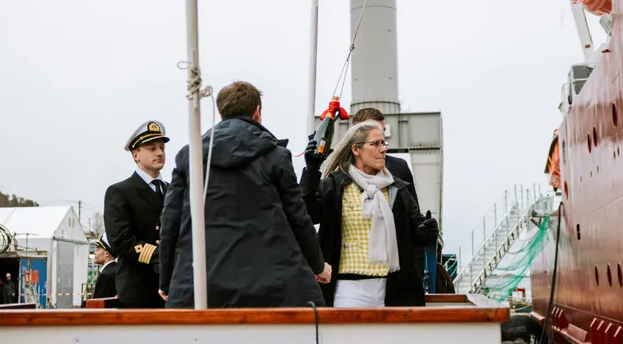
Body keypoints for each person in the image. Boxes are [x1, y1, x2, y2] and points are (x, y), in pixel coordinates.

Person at [158, 81, 331, 308]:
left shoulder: (189, 156)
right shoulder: (276, 156)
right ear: (257, 112)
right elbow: (298, 218)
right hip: (271, 281)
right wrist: (318, 266)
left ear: (221, 112)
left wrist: (166, 281)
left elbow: (170, 221)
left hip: (201, 281)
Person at [302, 120, 438, 307]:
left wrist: (427, 229)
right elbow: (309, 213)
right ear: (356, 149)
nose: (383, 149)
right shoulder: (335, 186)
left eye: (383, 143)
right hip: (348, 290)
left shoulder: (397, 188)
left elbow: (416, 228)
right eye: (375, 144)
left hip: (393, 291)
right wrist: (311, 171)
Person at [104, 120, 170, 308]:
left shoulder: (173, 191)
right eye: (151, 148)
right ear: (136, 155)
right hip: (139, 289)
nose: (159, 153)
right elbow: (120, 240)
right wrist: (161, 255)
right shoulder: (120, 192)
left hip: (173, 286)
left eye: (162, 147)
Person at [92, 234, 118, 299]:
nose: (94, 253)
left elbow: (98, 302)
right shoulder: (118, 270)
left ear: (106, 253)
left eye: (97, 250)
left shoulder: (105, 275)